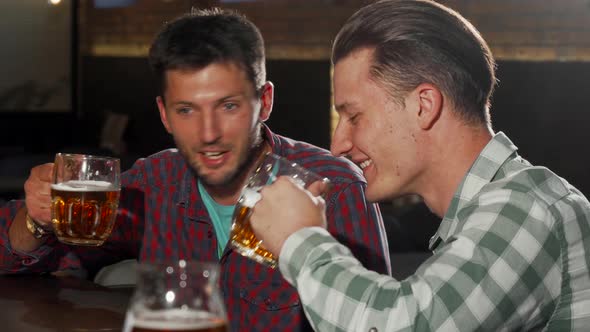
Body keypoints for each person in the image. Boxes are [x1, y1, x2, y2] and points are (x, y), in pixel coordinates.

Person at [0, 8, 391, 331]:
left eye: (228, 106)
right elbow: (49, 258)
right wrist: (36, 222)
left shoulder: (335, 189)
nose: (208, 134)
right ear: (164, 115)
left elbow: (378, 323)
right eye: (186, 110)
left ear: (265, 101)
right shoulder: (154, 183)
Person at [248, 0, 590, 330]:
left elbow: (401, 325)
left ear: (423, 105)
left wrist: (300, 240)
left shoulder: (527, 208)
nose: (338, 146)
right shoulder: (485, 215)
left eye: (354, 116)